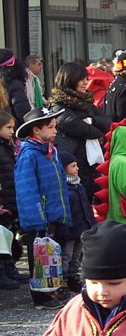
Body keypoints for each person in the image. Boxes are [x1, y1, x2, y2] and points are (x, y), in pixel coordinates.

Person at [15, 105, 70, 310]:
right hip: (39, 216)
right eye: (50, 127)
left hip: (53, 213)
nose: (55, 130)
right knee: (39, 256)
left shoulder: (51, 151)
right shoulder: (29, 155)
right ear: (36, 130)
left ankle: (53, 289)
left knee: (51, 254)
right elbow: (27, 188)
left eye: (55, 126)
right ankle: (41, 297)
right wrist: (37, 217)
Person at [51, 62, 112, 200]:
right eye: (81, 79)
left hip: (91, 161)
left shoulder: (85, 102)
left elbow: (108, 122)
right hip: (73, 158)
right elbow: (80, 128)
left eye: (86, 78)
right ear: (69, 80)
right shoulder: (58, 105)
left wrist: (92, 121)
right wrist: (95, 127)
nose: (86, 83)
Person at [56, 150, 96, 292]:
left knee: (77, 255)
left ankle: (73, 277)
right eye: (73, 166)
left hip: (81, 227)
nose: (77, 169)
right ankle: (63, 280)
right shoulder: (62, 188)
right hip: (69, 229)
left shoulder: (78, 186)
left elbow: (86, 207)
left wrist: (91, 224)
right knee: (66, 255)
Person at [0, 109, 27, 289]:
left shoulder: (7, 146)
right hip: (4, 197)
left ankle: (10, 268)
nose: (12, 131)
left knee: (9, 235)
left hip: (10, 195)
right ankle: (3, 271)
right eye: (8, 127)